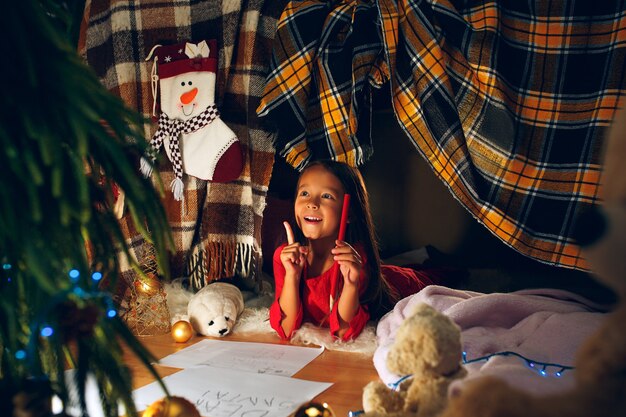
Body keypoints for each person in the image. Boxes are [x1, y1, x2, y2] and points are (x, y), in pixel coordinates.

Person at [269, 160, 438, 341]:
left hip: (398, 282)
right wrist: (292, 276)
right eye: (304, 193)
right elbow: (286, 330)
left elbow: (344, 334)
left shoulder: (355, 261)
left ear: (348, 213)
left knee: (433, 279)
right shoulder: (285, 257)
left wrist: (351, 284)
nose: (312, 203)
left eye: (326, 196)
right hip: (384, 273)